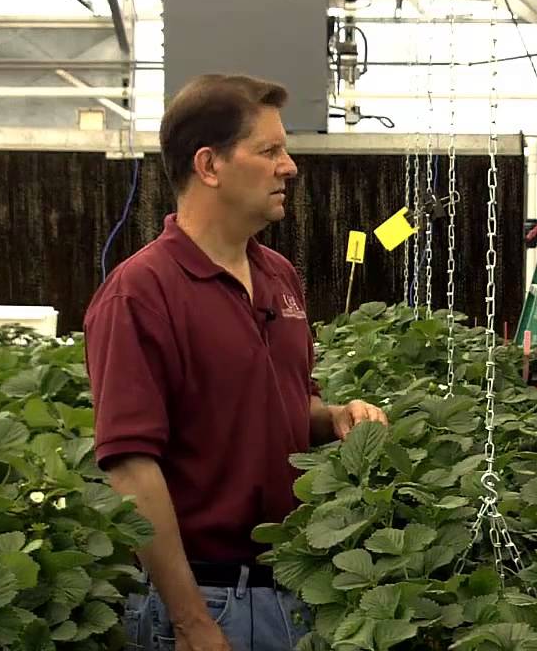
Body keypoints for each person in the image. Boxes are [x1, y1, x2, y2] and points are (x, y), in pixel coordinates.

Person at [84, 73, 387, 651]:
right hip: (208, 597)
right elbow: (130, 470)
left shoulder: (279, 276)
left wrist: (333, 417)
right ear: (209, 165)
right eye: (269, 150)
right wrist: (192, 621)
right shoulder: (141, 293)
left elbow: (285, 405)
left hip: (296, 589)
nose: (289, 166)